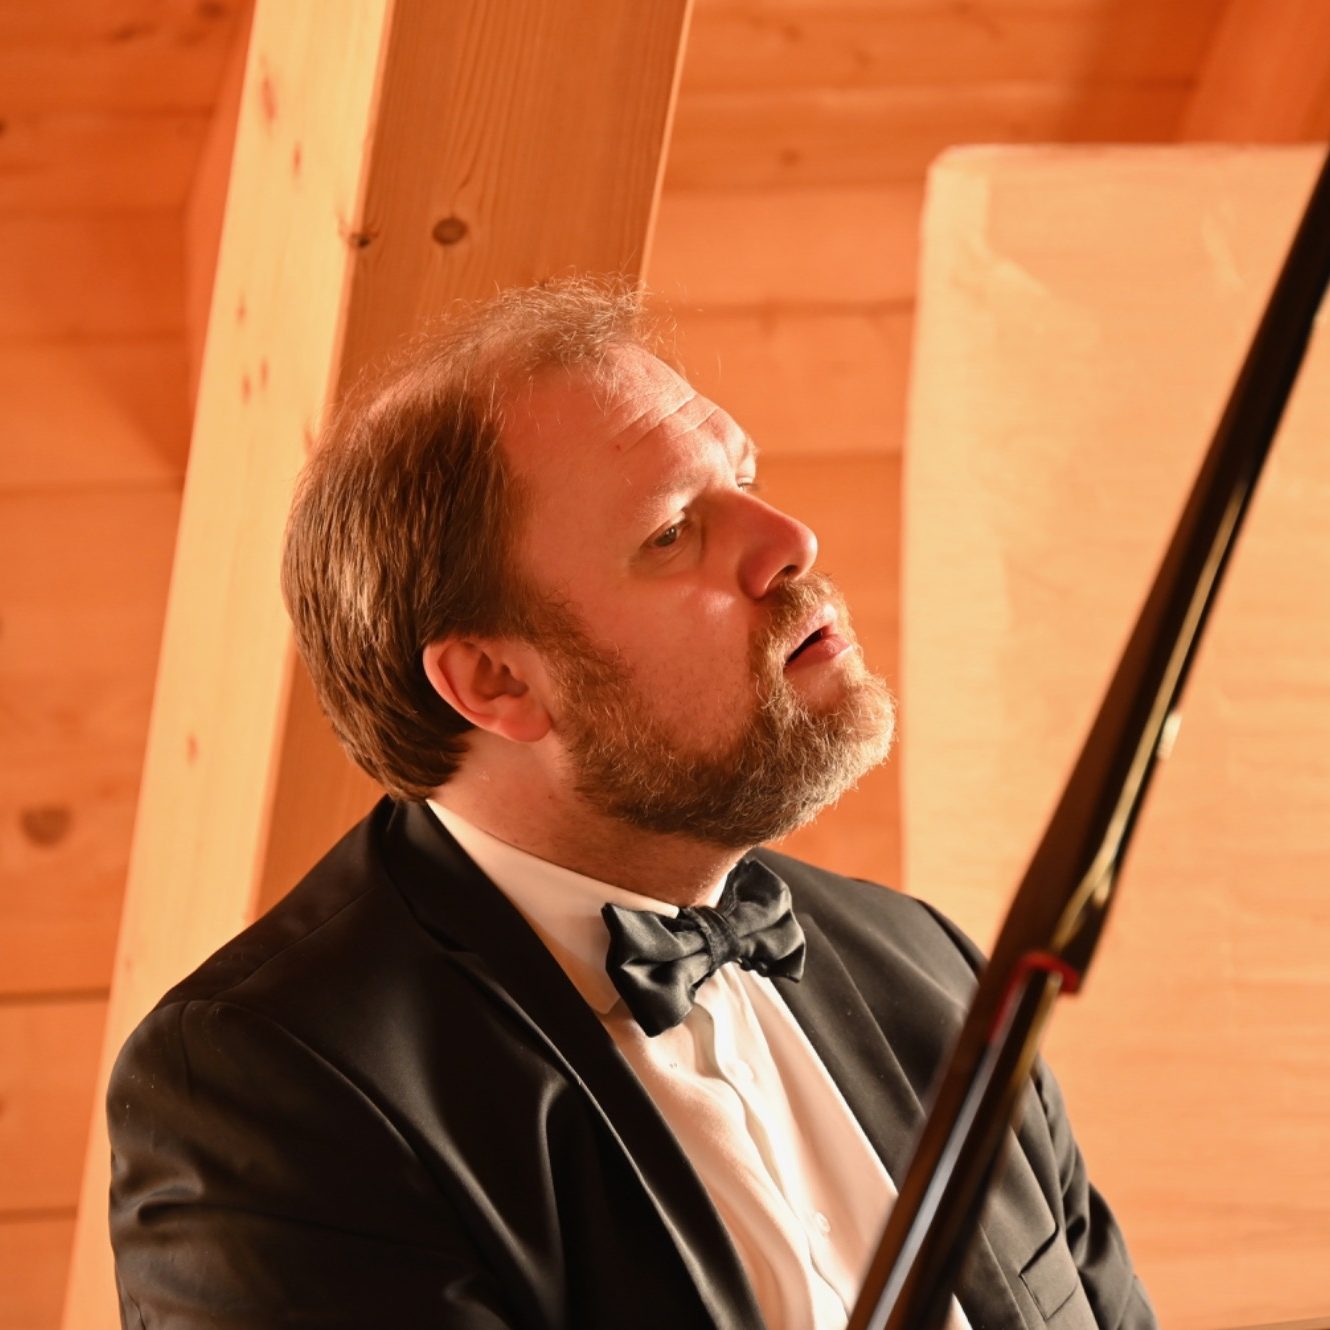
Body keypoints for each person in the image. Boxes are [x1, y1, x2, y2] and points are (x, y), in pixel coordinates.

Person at [107, 280, 1156, 1329]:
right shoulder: (268, 1090)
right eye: (671, 533)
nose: (789, 539)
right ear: (496, 681)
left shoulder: (930, 966)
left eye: (744, 477)